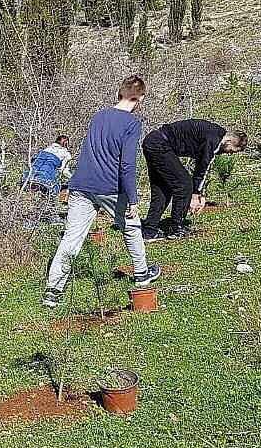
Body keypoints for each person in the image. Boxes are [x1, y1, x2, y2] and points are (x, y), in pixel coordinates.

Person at [43, 76, 161, 308]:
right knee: (132, 227)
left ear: (118, 94)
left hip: (80, 184)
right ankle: (142, 274)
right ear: (140, 98)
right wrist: (133, 198)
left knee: (71, 239)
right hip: (109, 187)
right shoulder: (132, 123)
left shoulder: (99, 115)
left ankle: (53, 291)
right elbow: (127, 163)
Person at [141, 121, 249, 241]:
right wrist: (195, 194)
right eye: (231, 151)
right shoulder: (213, 140)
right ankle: (176, 229)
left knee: (163, 188)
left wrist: (199, 193)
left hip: (153, 141)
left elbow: (201, 168)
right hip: (159, 144)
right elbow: (203, 168)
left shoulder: (216, 134)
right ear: (229, 141)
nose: (229, 154)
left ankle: (149, 231)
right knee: (184, 185)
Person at [22, 135, 74, 225]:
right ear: (66, 143)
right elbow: (63, 170)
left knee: (40, 198)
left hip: (29, 176)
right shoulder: (65, 153)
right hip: (45, 178)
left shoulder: (46, 149)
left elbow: (32, 161)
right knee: (52, 194)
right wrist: (73, 178)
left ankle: (32, 219)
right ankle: (52, 219)